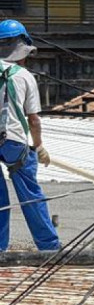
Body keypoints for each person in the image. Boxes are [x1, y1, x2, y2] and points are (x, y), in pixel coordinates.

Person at [0, 20, 59, 252]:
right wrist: (40, 146)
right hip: (14, 141)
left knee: (0, 202)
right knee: (31, 197)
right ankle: (49, 247)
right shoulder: (24, 76)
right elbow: (33, 119)